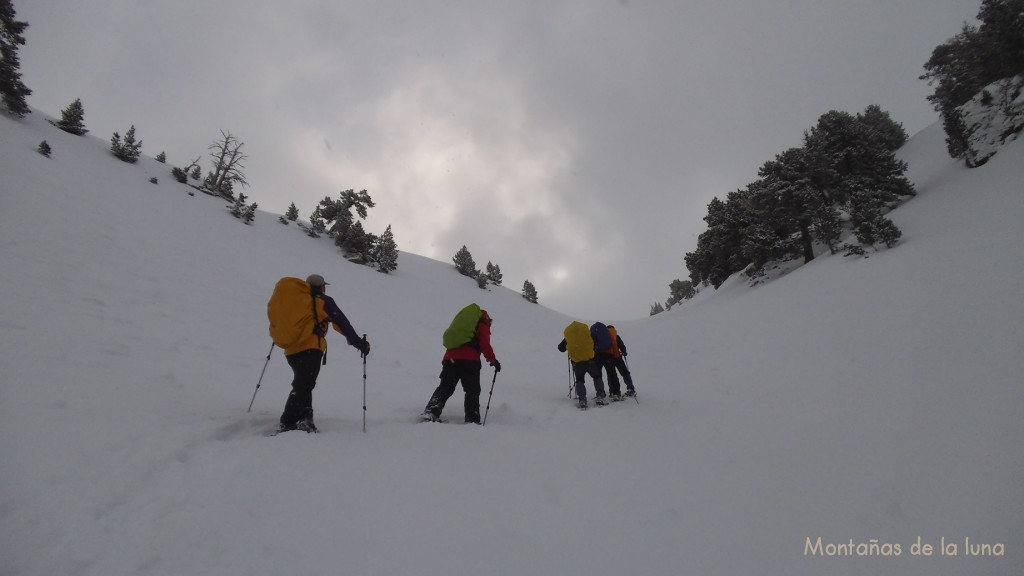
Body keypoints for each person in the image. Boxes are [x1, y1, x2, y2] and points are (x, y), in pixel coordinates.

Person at [279, 274, 370, 433]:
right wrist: (358, 343)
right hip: (311, 348)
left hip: (291, 350)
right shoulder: (323, 301)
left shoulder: (298, 301)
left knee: (304, 382)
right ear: (321, 287)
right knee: (304, 384)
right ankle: (288, 422)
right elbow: (341, 322)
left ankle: (306, 417)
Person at [423, 309, 501, 424]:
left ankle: (431, 412)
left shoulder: (464, 324)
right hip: (468, 360)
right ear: (488, 319)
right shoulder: (482, 323)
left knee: (445, 386)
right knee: (472, 390)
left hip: (450, 358)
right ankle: (472, 419)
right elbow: (485, 343)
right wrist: (493, 360)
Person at [558, 321, 606, 409]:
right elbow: (596, 341)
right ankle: (600, 396)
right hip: (590, 360)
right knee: (597, 377)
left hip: (577, 362)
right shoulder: (586, 333)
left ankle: (582, 400)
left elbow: (561, 348)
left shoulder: (570, 336)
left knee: (580, 380)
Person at [591, 322, 623, 401]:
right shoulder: (608, 332)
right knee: (612, 374)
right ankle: (616, 393)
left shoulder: (592, 332)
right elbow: (614, 343)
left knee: (598, 376)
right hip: (608, 355)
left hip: (597, 356)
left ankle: (601, 394)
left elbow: (590, 344)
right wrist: (616, 355)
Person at [606, 325, 636, 397]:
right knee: (625, 373)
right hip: (618, 357)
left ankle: (612, 391)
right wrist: (624, 352)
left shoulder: (606, 337)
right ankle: (631, 388)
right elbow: (622, 346)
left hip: (609, 358)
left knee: (611, 375)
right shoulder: (616, 336)